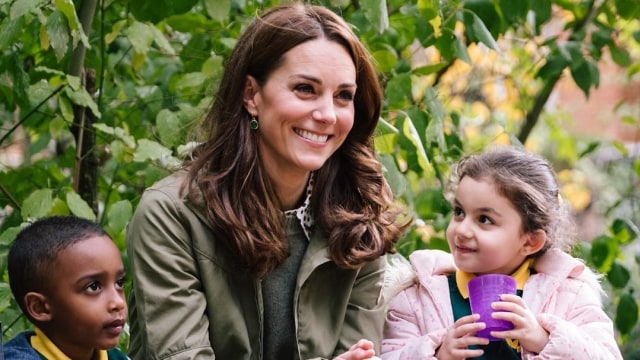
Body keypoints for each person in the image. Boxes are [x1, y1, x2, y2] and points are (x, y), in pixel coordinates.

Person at [125, 3, 410, 360]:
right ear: (251, 95)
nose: (326, 115)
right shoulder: (172, 216)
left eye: (343, 96)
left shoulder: (358, 217)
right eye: (305, 89)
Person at [380, 146, 623, 359]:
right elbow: (387, 355)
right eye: (459, 212)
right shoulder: (418, 298)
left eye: (484, 219)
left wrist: (543, 339)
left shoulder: (568, 297)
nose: (462, 229)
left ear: (530, 241)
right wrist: (437, 354)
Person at [3, 215, 128, 360]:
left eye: (119, 283)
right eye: (93, 287)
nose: (118, 303)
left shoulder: (116, 357)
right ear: (40, 307)